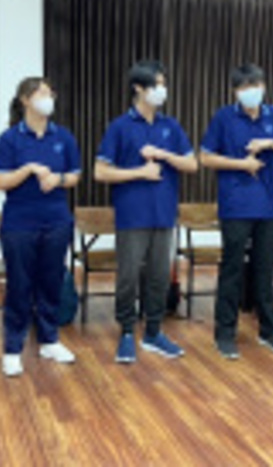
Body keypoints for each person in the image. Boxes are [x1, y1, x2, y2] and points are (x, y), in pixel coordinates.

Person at [200, 63, 273, 360]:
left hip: (267, 206)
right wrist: (241, 164)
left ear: (263, 87)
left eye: (256, 86)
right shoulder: (224, 117)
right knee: (232, 270)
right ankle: (225, 333)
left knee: (265, 269)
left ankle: (269, 331)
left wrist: (271, 142)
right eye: (245, 87)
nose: (251, 92)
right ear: (235, 91)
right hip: (235, 205)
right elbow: (205, 157)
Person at [94, 60, 198, 364]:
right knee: (127, 276)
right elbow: (100, 172)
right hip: (132, 216)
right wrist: (140, 172)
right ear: (139, 88)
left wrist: (164, 154)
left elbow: (192, 164)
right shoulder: (120, 126)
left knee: (159, 277)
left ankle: (153, 332)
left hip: (164, 214)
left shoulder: (171, 126)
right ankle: (127, 332)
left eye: (163, 84)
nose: (162, 90)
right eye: (156, 85)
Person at [0, 78, 82, 377]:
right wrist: (28, 169)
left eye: (50, 92)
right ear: (25, 100)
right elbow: (0, 181)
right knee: (19, 286)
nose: (49, 97)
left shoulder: (63, 136)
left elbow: (75, 175)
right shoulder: (9, 139)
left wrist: (57, 179)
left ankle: (49, 340)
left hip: (57, 221)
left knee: (51, 282)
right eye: (42, 93)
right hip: (19, 223)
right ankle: (12, 349)